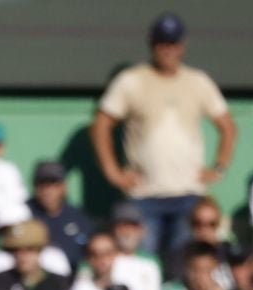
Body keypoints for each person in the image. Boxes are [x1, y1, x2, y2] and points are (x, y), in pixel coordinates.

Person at [91, 13, 235, 258]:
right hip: (144, 195)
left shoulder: (197, 81)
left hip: (188, 193)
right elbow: (101, 124)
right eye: (162, 43)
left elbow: (228, 126)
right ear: (152, 44)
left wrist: (218, 168)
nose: (168, 50)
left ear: (182, 46)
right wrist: (112, 171)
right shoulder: (131, 80)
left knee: (184, 263)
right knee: (144, 263)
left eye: (173, 43)